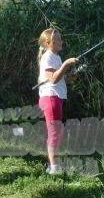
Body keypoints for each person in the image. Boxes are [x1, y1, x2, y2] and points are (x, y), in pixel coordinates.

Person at [37, 28, 78, 174]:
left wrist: (68, 77)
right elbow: (53, 79)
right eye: (57, 40)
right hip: (50, 97)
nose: (61, 42)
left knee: (56, 132)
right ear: (48, 43)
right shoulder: (48, 57)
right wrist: (66, 64)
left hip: (56, 97)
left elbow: (57, 77)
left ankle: (51, 164)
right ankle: (54, 168)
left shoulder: (56, 57)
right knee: (55, 133)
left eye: (61, 39)